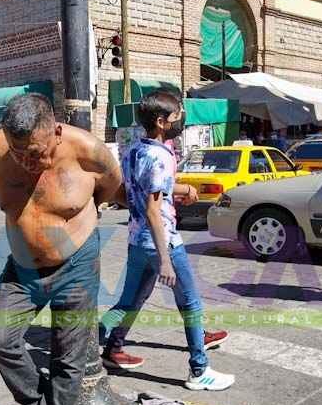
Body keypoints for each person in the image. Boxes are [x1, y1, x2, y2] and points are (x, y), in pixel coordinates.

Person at [0, 93, 125, 405]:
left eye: (39, 153)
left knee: (69, 357)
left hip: (76, 263)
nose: (30, 162)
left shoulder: (88, 151)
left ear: (56, 131)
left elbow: (112, 189)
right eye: (20, 154)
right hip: (23, 268)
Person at [98, 90, 234, 388]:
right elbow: (152, 208)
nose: (181, 120)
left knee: (130, 301)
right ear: (161, 122)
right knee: (191, 304)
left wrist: (180, 191)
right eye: (177, 116)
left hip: (137, 239)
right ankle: (199, 370)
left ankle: (107, 347)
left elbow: (136, 191)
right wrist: (164, 260)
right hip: (164, 242)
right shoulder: (159, 156)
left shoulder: (135, 150)